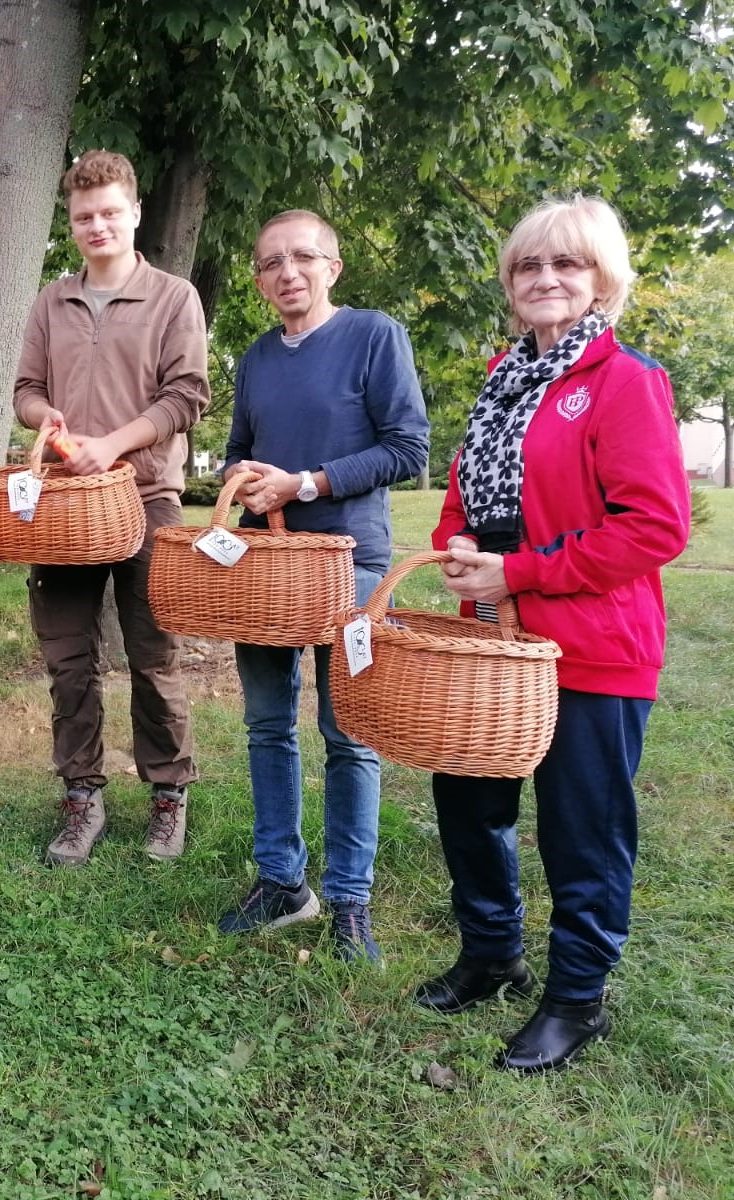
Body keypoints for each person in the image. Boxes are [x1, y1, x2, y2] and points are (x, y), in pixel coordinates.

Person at [420, 196, 689, 1071]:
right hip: (491, 642)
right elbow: (462, 505)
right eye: (529, 265)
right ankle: (491, 953)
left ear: (602, 279)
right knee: (470, 804)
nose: (546, 279)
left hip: (593, 649)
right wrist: (456, 552)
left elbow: (654, 526)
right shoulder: (501, 383)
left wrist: (523, 573)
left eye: (567, 264)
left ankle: (576, 999)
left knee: (583, 828)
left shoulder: (625, 381)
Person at [217, 209, 428, 961]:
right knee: (268, 725)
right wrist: (240, 478)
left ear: (332, 267)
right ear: (260, 280)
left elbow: (408, 449)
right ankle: (282, 882)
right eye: (271, 263)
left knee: (352, 735)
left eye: (302, 257)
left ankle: (349, 900)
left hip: (352, 565)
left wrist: (304, 483)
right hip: (266, 571)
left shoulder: (375, 336)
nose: (287, 273)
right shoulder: (255, 358)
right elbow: (240, 450)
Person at [12, 149, 209, 866]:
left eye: (108, 213)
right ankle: (82, 798)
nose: (97, 226)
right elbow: (27, 390)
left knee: (154, 658)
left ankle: (167, 798)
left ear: (133, 214)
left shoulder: (173, 298)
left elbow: (187, 396)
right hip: (66, 504)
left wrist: (118, 445)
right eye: (83, 217)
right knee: (68, 660)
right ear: (72, 224)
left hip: (146, 501)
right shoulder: (50, 301)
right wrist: (52, 424)